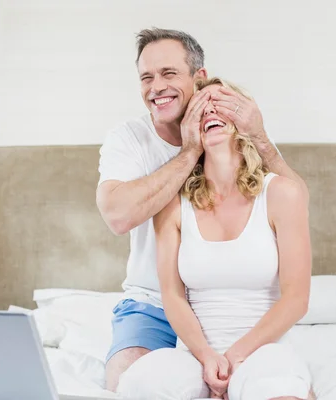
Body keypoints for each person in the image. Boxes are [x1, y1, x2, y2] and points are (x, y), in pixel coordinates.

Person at [96, 27, 309, 393]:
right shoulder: (130, 140)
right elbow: (117, 217)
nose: (156, 87)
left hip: (234, 309)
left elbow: (296, 200)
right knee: (129, 378)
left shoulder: (243, 138)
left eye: (168, 73)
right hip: (153, 300)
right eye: (146, 77)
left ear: (199, 78)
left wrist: (258, 135)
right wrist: (190, 152)